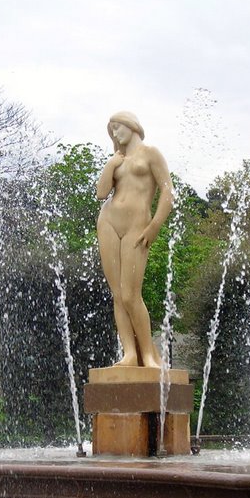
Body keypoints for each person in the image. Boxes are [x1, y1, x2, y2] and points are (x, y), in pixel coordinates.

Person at [96, 112, 174, 368]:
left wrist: (154, 227)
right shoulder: (118, 159)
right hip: (108, 221)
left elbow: (167, 192)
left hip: (137, 226)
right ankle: (129, 354)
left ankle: (149, 356)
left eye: (118, 128)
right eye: (112, 131)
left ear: (132, 126)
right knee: (118, 294)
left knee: (131, 294)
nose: (115, 134)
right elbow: (101, 193)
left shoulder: (151, 153)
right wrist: (110, 165)